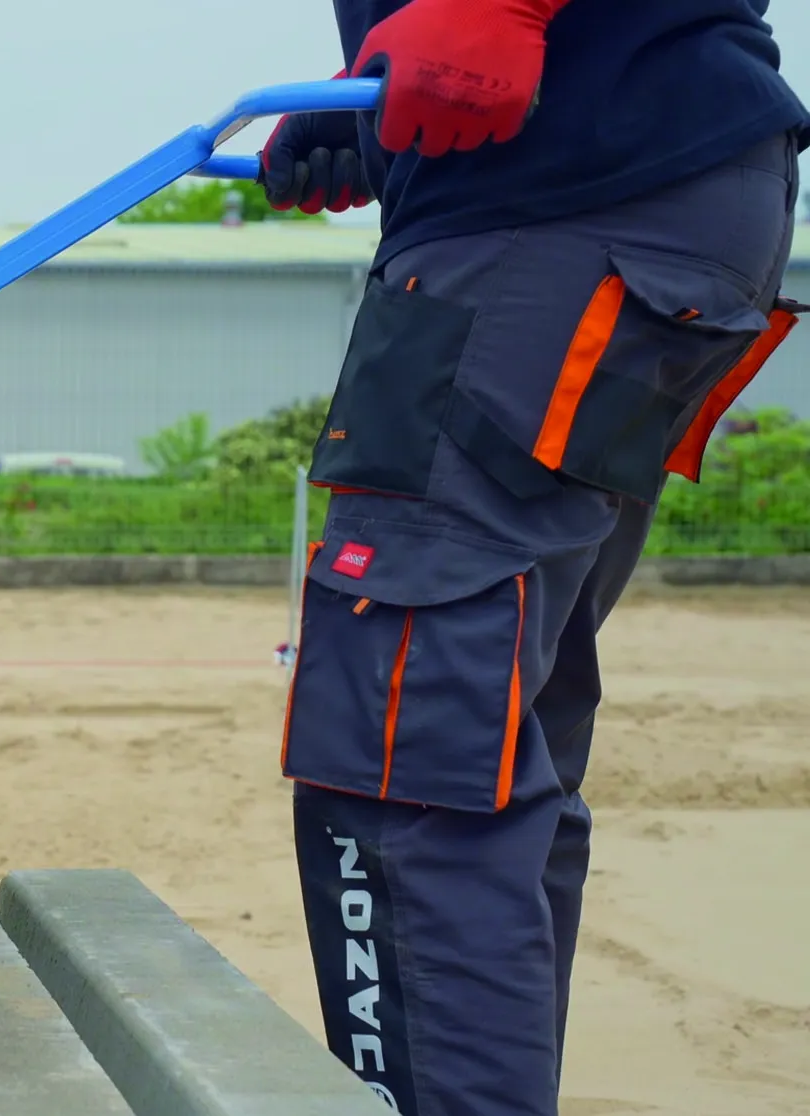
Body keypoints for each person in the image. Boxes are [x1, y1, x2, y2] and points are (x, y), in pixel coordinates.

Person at [256, 2, 806, 1114]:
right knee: (495, 737)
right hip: (643, 185)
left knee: (409, 760)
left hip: (560, 202)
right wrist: (374, 99)